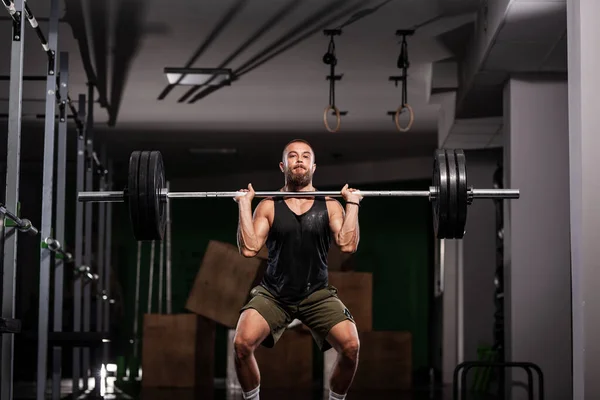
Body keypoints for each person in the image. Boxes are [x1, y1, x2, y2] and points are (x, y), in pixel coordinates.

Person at [233, 139, 362, 400]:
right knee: (241, 344)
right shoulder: (269, 205)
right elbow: (249, 248)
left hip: (317, 294)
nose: (299, 160)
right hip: (275, 294)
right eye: (293, 156)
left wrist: (353, 204)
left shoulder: (330, 205)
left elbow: (347, 245)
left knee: (350, 347)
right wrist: (244, 205)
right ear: (283, 165)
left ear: (314, 166)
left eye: (305, 156)